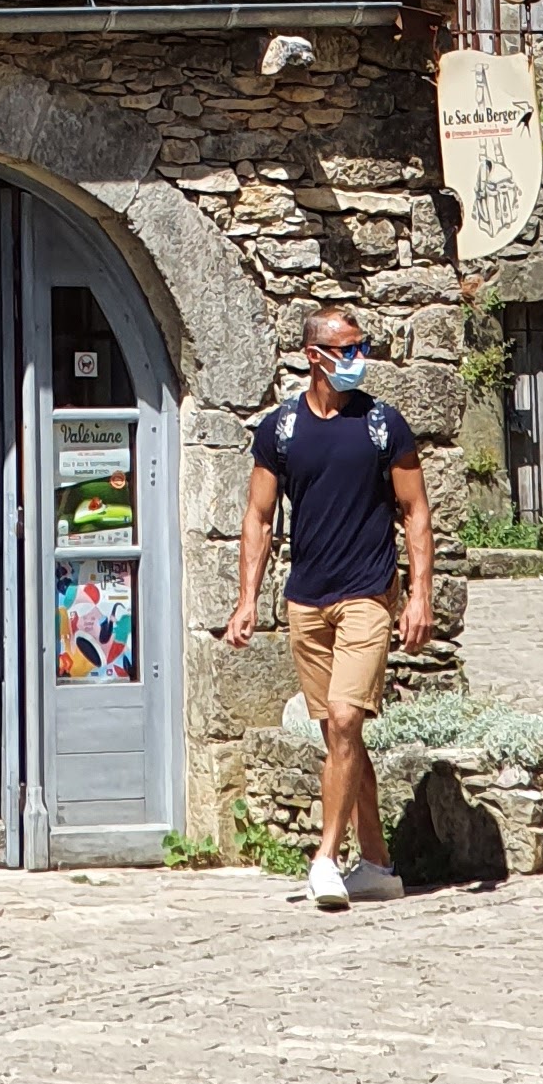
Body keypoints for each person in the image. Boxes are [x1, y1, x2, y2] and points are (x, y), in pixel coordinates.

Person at [225, 299, 433, 911]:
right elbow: (259, 518)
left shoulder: (383, 425)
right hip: (306, 602)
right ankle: (379, 865)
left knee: (344, 722)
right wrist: (246, 600)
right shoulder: (281, 430)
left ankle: (325, 859)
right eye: (348, 349)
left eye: (361, 347)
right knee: (340, 737)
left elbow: (415, 511)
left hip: (368, 594)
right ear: (314, 356)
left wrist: (419, 595)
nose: (359, 358)